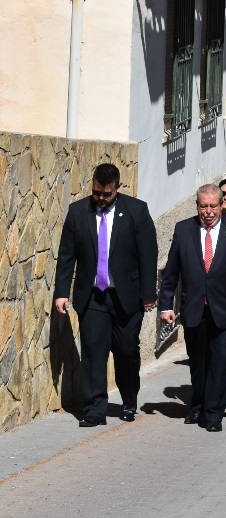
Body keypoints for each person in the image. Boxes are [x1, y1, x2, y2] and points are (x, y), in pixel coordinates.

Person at [54, 162, 158, 427]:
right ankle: (95, 409)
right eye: (97, 193)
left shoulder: (136, 211)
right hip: (93, 297)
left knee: (126, 351)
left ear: (117, 188)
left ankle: (128, 400)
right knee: (93, 353)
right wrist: (61, 292)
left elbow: (148, 254)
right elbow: (67, 256)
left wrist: (148, 293)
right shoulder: (78, 212)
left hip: (127, 297)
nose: (100, 199)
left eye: (106, 194)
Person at [158, 184, 226, 432]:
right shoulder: (184, 230)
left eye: (214, 206)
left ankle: (213, 413)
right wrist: (165, 305)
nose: (209, 211)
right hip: (194, 308)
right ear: (198, 206)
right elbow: (172, 272)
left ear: (221, 205)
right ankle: (198, 404)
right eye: (204, 206)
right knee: (199, 362)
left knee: (221, 362)